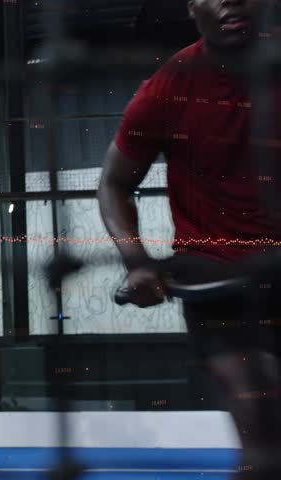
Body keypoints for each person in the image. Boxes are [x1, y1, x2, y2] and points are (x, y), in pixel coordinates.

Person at [98, 0, 281, 477]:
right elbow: (114, 183)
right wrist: (136, 261)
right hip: (218, 286)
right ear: (191, 7)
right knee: (268, 443)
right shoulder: (170, 86)